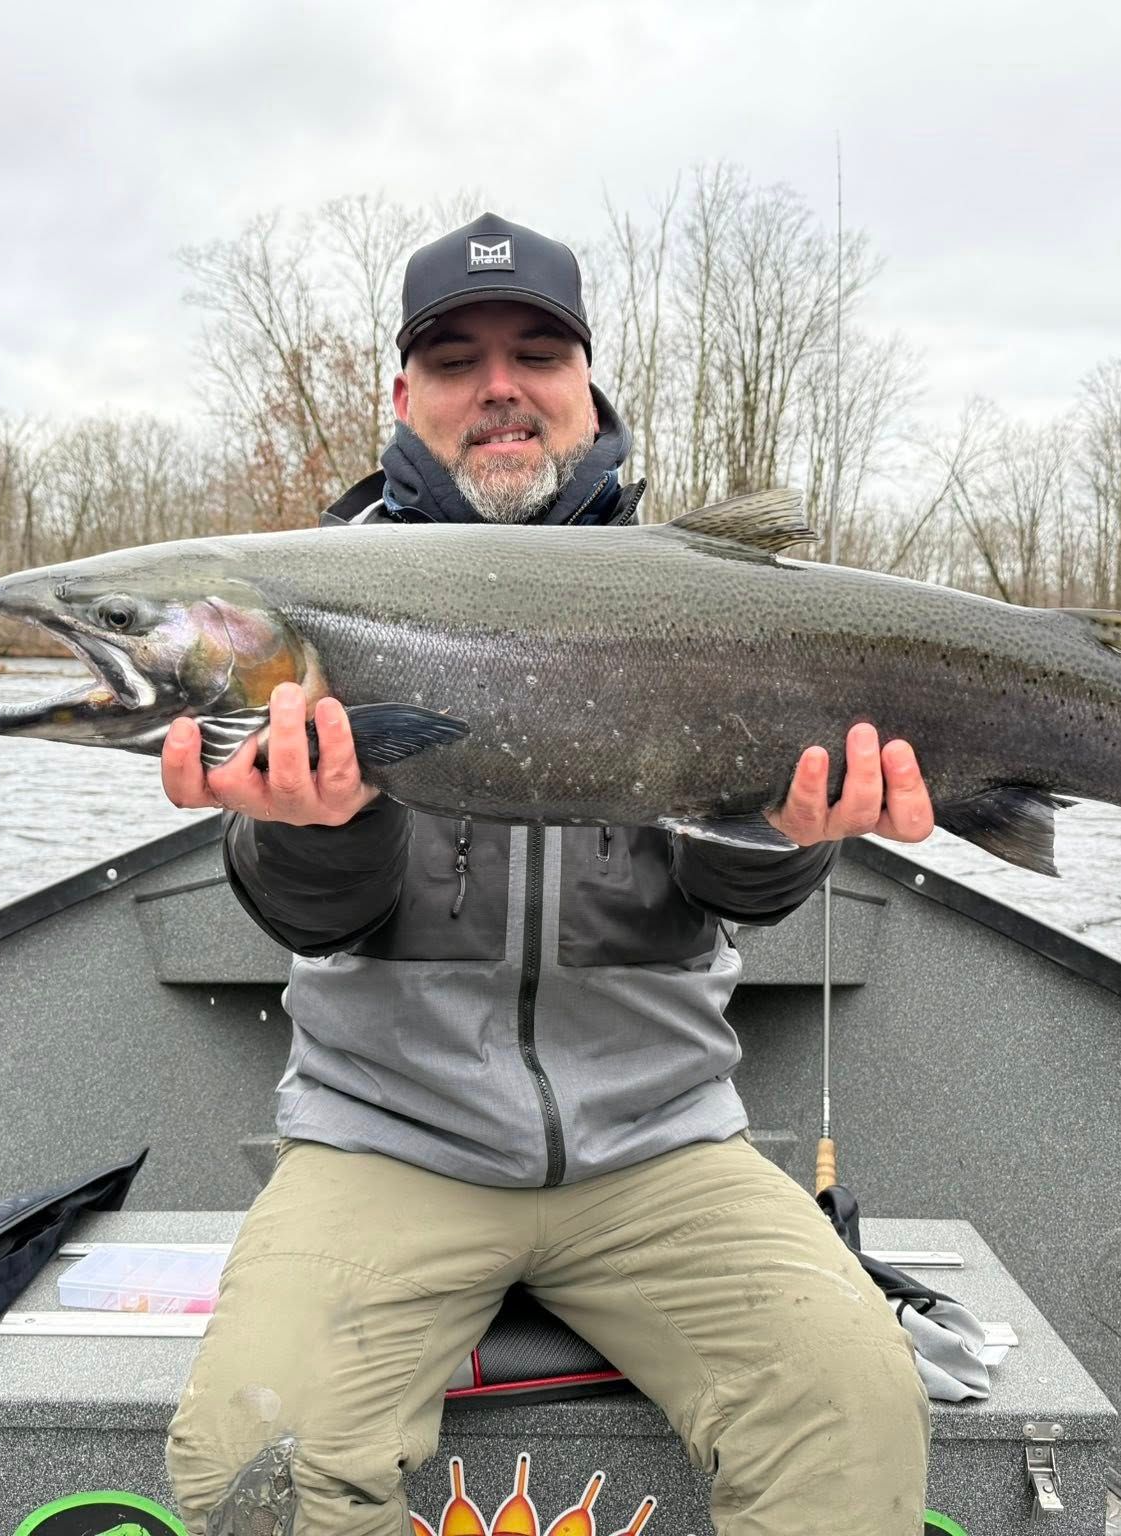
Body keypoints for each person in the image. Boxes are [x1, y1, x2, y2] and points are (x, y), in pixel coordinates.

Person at [162, 213, 936, 1536]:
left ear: (587, 387)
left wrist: (789, 832)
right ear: (404, 400)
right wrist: (317, 825)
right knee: (248, 1457)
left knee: (860, 1411)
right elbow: (316, 916)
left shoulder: (704, 592)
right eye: (456, 360)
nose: (499, 385)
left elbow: (732, 901)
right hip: (384, 1139)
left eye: (536, 352)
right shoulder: (304, 605)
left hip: (667, 1148)